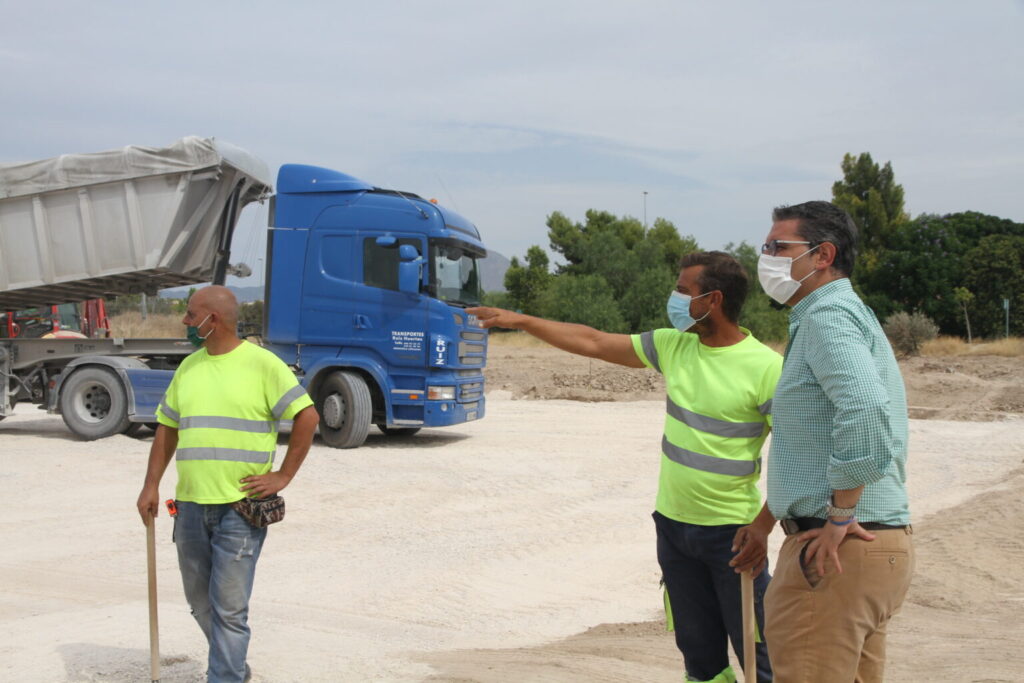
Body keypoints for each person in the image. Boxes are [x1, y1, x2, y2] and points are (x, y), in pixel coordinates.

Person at [469, 251, 781, 683]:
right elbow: (594, 341)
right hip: (673, 529)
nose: (673, 298)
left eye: (682, 290)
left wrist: (764, 526)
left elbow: (797, 453)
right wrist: (522, 321)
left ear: (712, 300)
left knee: (761, 659)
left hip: (733, 537)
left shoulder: (767, 368)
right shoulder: (675, 346)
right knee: (700, 659)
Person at [752, 201, 913, 682]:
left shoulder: (828, 318)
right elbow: (812, 444)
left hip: (838, 547)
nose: (767, 257)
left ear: (822, 254)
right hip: (869, 546)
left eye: (779, 247)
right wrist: (765, 522)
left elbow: (865, 410)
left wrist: (840, 512)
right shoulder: (836, 315)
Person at [135, 285, 319, 683]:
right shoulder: (189, 367)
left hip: (240, 508)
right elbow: (168, 428)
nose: (185, 322)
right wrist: (151, 485)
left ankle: (225, 676)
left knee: (230, 608)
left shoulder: (263, 364)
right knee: (201, 604)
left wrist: (283, 475)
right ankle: (233, 664)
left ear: (211, 320)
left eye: (189, 315)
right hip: (189, 507)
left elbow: (307, 416)